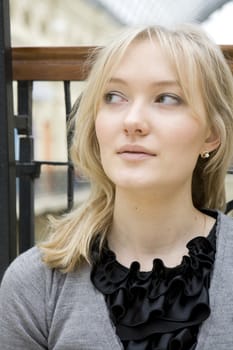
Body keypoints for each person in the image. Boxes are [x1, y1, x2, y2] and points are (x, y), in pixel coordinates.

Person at [1, 24, 233, 350]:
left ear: (211, 134)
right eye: (114, 97)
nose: (132, 120)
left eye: (166, 98)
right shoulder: (34, 285)